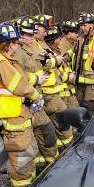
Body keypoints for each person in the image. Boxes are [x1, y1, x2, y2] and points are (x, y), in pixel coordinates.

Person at [0, 22, 41, 187]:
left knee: (28, 154)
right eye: (16, 41)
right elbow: (19, 85)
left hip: (21, 116)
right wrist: (36, 96)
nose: (18, 44)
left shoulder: (10, 61)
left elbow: (24, 79)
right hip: (14, 120)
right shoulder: (1, 63)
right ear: (8, 43)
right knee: (21, 160)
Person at [15, 15, 59, 170]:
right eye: (27, 34)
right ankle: (29, 180)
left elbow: (42, 63)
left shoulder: (33, 46)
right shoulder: (14, 52)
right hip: (21, 105)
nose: (31, 37)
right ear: (18, 34)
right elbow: (16, 78)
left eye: (32, 34)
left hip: (34, 100)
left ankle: (52, 167)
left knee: (47, 131)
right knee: (28, 144)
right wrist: (36, 79)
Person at [34, 15, 74, 150]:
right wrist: (55, 61)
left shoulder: (40, 44)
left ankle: (64, 151)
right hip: (48, 95)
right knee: (62, 127)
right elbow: (42, 64)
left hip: (53, 93)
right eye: (43, 29)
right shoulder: (34, 46)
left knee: (59, 128)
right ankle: (67, 153)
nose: (45, 32)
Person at [59, 19, 81, 108]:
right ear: (68, 32)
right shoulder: (63, 44)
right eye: (75, 32)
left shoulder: (72, 42)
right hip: (66, 81)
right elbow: (64, 60)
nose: (77, 34)